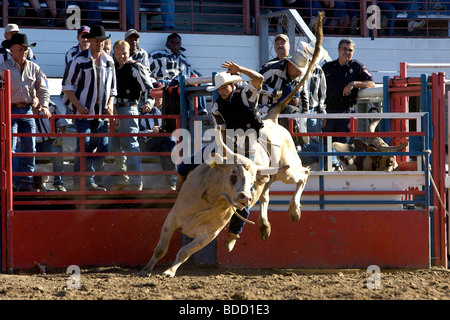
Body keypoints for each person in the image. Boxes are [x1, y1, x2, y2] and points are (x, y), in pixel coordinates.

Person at [178, 61, 264, 252]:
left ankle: (234, 233)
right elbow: (221, 130)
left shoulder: (245, 95)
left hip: (248, 150)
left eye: (226, 86)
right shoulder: (217, 106)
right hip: (229, 146)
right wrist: (223, 149)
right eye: (220, 88)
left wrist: (241, 69)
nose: (223, 90)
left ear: (233, 85)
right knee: (186, 163)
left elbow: (259, 79)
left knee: (244, 193)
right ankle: (181, 189)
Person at [62, 24, 116, 191]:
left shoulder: (109, 61)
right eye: (96, 40)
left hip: (100, 112)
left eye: (101, 41)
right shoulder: (78, 60)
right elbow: (67, 86)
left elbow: (113, 89)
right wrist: (79, 106)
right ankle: (83, 180)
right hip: (84, 112)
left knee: (102, 146)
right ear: (90, 41)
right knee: (84, 144)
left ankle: (89, 179)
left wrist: (110, 105)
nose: (99, 43)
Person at [0, 33, 51, 191]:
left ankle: (25, 183)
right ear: (12, 50)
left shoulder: (34, 68)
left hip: (27, 110)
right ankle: (11, 182)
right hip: (10, 110)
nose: (23, 52)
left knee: (30, 148)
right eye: (20, 49)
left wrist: (44, 106)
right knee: (11, 147)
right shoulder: (3, 68)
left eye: (25, 49)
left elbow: (43, 90)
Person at [110, 40, 155, 191]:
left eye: (124, 53)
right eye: (119, 53)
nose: (122, 56)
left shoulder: (136, 66)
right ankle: (123, 178)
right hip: (114, 108)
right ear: (114, 54)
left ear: (129, 53)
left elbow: (149, 88)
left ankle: (136, 181)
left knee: (130, 144)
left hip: (129, 107)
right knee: (115, 145)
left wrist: (149, 103)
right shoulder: (112, 67)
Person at [321, 38, 375, 145]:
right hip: (328, 113)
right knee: (325, 148)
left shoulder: (357, 67)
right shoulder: (327, 67)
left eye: (350, 50)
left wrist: (353, 83)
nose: (347, 52)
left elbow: (371, 83)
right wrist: (320, 112)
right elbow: (318, 90)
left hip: (346, 114)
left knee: (345, 150)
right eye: (344, 49)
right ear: (338, 49)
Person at [148, 32, 207, 114]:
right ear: (167, 43)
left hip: (180, 84)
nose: (175, 46)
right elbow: (145, 71)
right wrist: (154, 81)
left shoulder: (183, 59)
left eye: (178, 43)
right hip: (165, 82)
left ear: (180, 44)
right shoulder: (157, 55)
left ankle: (201, 112)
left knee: (198, 82)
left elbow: (192, 73)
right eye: (172, 43)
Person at [258, 50, 310, 138]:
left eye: (301, 70)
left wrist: (304, 116)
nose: (300, 73)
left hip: (287, 114)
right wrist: (273, 92)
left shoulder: (301, 76)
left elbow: (304, 96)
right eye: (298, 69)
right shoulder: (271, 69)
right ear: (290, 65)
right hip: (264, 110)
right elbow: (254, 84)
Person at [138, 84, 177, 190]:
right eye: (155, 96)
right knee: (169, 142)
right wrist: (152, 131)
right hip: (150, 142)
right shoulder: (144, 111)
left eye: (160, 96)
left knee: (167, 147)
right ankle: (173, 181)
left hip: (165, 143)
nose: (158, 98)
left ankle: (172, 183)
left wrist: (161, 130)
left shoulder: (168, 109)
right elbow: (140, 132)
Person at [34, 99, 68, 192]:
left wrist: (60, 136)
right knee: (22, 154)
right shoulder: (24, 107)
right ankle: (31, 184)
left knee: (57, 153)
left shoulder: (51, 105)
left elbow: (62, 122)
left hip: (50, 141)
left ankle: (58, 183)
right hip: (31, 142)